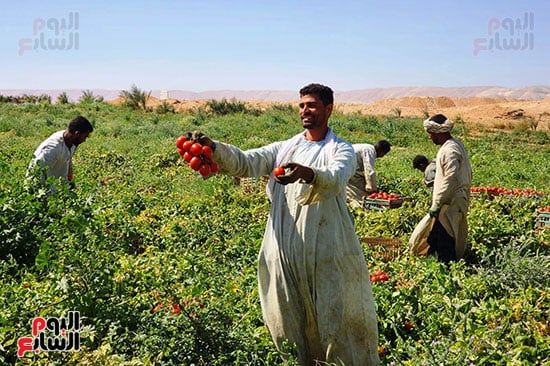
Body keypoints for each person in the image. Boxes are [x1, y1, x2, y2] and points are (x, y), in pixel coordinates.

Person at [193, 84, 379, 365]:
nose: (305, 110)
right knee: (288, 321)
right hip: (284, 249)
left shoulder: (340, 149)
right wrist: (215, 149)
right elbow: (246, 162)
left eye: (312, 105)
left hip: (325, 249)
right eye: (302, 105)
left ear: (329, 109)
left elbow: (337, 176)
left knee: (335, 320)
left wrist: (309, 174)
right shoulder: (285, 148)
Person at [423, 114, 472, 262]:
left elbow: (451, 178)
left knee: (447, 236)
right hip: (447, 200)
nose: (430, 137)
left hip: (450, 201)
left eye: (431, 134)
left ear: (439, 132)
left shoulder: (450, 151)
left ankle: (449, 268)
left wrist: (437, 203)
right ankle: (434, 263)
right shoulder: (452, 145)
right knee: (437, 235)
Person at [27, 116, 93, 188]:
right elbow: (36, 171)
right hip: (45, 191)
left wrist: (70, 180)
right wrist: (38, 194)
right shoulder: (53, 148)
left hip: (59, 188)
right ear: (77, 134)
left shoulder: (72, 143)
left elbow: (68, 161)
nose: (84, 140)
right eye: (85, 136)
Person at [346, 140, 391, 208]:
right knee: (358, 193)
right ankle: (359, 205)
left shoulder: (367, 147)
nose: (382, 156)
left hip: (346, 166)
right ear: (382, 152)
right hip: (347, 168)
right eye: (384, 154)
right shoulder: (369, 151)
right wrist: (372, 189)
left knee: (355, 186)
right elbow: (369, 171)